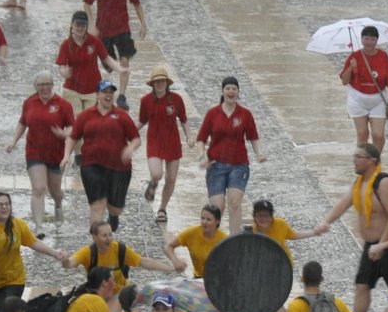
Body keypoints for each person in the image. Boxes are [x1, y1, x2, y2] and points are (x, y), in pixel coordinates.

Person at [311, 144, 388, 312]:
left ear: (371, 161)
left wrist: (382, 245)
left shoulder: (384, 183)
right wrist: (325, 222)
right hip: (371, 246)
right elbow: (343, 203)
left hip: (387, 245)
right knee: (362, 285)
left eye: (358, 157)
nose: (353, 161)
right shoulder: (360, 183)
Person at [195, 76, 265, 232]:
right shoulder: (213, 113)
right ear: (222, 91)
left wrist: (259, 153)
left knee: (234, 201)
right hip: (215, 165)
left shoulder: (245, 114)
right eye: (228, 88)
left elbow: (253, 137)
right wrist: (202, 157)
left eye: (234, 88)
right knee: (217, 206)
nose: (231, 91)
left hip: (239, 164)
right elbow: (201, 139)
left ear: (238, 92)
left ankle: (234, 238)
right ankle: (215, 240)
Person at [71, 82, 142, 232]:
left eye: (111, 92)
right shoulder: (85, 116)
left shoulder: (121, 116)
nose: (108, 95)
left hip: (119, 167)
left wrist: (130, 148)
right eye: (104, 92)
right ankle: (96, 243)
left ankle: (113, 215)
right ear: (97, 95)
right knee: (98, 205)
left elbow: (136, 138)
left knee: (115, 208)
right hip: (91, 164)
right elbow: (74, 136)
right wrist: (65, 156)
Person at [8, 71, 73, 224]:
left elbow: (72, 128)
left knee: (55, 191)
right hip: (34, 152)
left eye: (47, 84)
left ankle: (58, 205)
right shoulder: (29, 102)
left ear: (52, 85)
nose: (44, 88)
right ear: (36, 86)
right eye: (41, 85)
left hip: (55, 154)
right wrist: (13, 141)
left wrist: (63, 134)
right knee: (38, 188)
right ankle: (39, 228)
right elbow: (23, 122)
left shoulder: (63, 104)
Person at [83, 0, 146, 108]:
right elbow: (87, 2)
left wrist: (143, 24)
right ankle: (108, 89)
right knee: (109, 66)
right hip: (104, 31)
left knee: (124, 61)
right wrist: (91, 25)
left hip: (122, 29)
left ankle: (122, 96)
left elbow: (137, 4)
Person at [65, 220, 174, 293]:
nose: (109, 239)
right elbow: (70, 263)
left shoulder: (120, 249)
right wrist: (64, 260)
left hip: (120, 294)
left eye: (110, 234)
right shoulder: (87, 253)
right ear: (94, 237)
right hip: (98, 295)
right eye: (104, 236)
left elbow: (144, 262)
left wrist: (170, 268)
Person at [137, 67, 188, 224]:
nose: (159, 84)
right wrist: (128, 133)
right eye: (156, 81)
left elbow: (184, 119)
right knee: (157, 174)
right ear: (152, 84)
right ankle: (153, 184)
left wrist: (189, 137)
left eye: (162, 81)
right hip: (154, 142)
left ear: (167, 83)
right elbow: (142, 120)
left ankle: (162, 209)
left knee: (171, 178)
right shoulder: (145, 101)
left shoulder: (176, 99)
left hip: (172, 142)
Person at [341, 24, 388, 150]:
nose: (369, 42)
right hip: (357, 99)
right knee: (362, 134)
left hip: (377, 99)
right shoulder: (354, 56)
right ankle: (363, 164)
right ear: (361, 39)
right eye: (366, 38)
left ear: (377, 40)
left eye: (372, 39)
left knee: (378, 135)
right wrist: (351, 67)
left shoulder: (383, 56)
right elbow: (344, 81)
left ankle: (375, 162)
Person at [56, 10, 116, 113]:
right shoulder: (66, 44)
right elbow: (61, 67)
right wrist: (64, 73)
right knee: (76, 119)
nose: (80, 28)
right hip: (72, 89)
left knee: (91, 118)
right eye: (77, 25)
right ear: (72, 24)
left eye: (83, 25)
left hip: (92, 89)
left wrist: (119, 68)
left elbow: (106, 58)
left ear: (87, 26)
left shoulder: (94, 41)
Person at [164, 204, 227, 277]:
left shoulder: (224, 239)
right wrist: (175, 261)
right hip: (198, 278)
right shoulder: (192, 233)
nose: (204, 222)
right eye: (202, 218)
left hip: (219, 279)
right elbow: (168, 246)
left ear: (217, 222)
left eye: (209, 220)